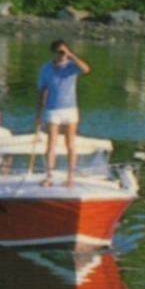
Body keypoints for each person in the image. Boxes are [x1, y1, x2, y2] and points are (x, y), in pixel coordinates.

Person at [35, 40, 91, 187]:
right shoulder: (46, 69)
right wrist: (38, 113)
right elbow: (41, 91)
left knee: (70, 144)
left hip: (70, 109)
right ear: (53, 53)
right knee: (51, 144)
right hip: (53, 109)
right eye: (59, 52)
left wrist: (71, 55)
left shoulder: (72, 67)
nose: (61, 55)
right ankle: (49, 176)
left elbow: (86, 69)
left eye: (63, 52)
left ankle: (70, 176)